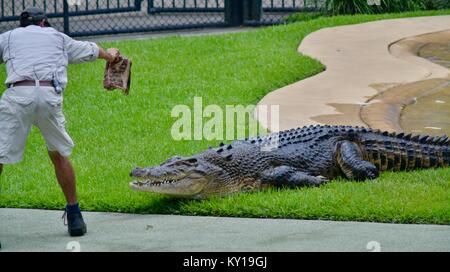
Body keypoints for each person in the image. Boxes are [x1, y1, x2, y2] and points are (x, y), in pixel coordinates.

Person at [0, 7, 120, 237]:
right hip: (48, 96)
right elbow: (92, 50)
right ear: (44, 23)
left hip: (18, 95)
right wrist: (111, 54)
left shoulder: (9, 37)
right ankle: (75, 215)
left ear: (22, 25)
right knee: (58, 155)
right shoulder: (57, 36)